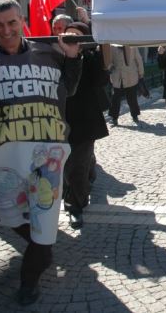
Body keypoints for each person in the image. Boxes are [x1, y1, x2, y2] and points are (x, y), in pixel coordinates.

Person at [0, 0, 81, 306]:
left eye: (12, 22)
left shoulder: (46, 54)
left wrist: (71, 57)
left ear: (22, 21)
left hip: (46, 155)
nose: (7, 30)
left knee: (43, 222)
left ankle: (29, 281)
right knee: (4, 211)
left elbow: (70, 87)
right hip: (2, 156)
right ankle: (40, 245)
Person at [63, 22, 109, 229]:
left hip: (84, 121)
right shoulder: (54, 58)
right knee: (65, 165)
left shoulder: (91, 58)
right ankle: (88, 171)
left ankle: (75, 207)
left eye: (77, 36)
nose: (71, 39)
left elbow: (100, 80)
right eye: (68, 35)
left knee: (77, 167)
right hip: (60, 121)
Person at [108, 45, 144, 126]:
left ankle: (135, 115)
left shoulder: (132, 46)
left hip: (130, 76)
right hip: (117, 77)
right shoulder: (111, 46)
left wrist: (141, 73)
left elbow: (138, 59)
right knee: (115, 98)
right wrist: (110, 66)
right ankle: (114, 117)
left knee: (132, 98)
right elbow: (108, 60)